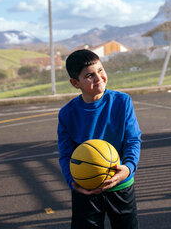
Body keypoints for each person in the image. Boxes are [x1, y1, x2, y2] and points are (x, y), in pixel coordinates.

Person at [57, 49, 142, 229]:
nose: (98, 77)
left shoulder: (122, 101)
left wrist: (128, 168)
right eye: (89, 75)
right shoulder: (67, 114)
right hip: (85, 186)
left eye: (100, 70)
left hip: (120, 183)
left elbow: (133, 139)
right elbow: (66, 154)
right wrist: (72, 182)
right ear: (75, 83)